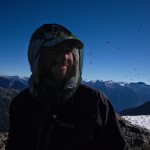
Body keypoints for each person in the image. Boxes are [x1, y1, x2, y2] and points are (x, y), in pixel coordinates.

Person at [6, 24, 126, 150]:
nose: (64, 58)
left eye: (68, 50)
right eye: (54, 49)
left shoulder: (95, 102)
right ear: (36, 56)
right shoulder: (21, 104)